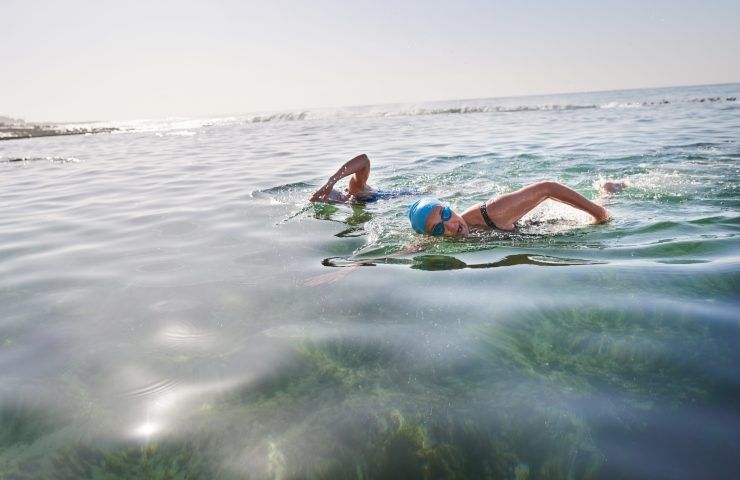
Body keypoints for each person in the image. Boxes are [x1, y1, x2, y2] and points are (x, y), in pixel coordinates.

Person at [310, 154, 623, 237]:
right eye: (438, 228)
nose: (449, 226)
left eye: (445, 215)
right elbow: (407, 249)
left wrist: (600, 214)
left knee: (586, 216)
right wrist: (353, 267)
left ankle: (605, 197)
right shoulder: (439, 234)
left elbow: (548, 188)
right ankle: (605, 194)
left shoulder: (492, 211)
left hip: (513, 223)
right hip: (524, 230)